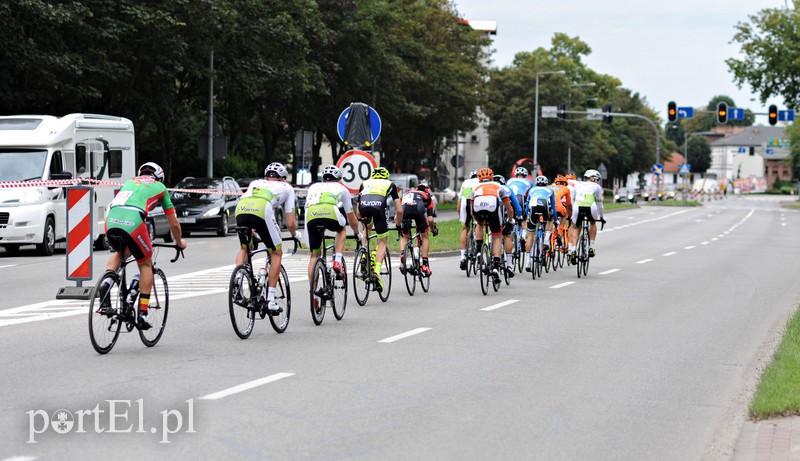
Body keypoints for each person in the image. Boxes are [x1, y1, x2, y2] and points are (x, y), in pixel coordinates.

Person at [100, 162, 187, 330]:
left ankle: (106, 283)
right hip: (133, 220)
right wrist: (179, 243)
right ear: (159, 177)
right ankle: (143, 313)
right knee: (145, 263)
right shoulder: (160, 187)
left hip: (111, 219)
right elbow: (174, 224)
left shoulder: (129, 182)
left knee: (121, 252)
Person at [235, 162, 300, 315]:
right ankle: (271, 300)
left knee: (245, 247)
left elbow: (255, 213)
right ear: (282, 178)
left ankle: (237, 278)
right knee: (276, 252)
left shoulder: (256, 183)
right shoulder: (287, 188)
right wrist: (294, 235)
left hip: (241, 208)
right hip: (262, 210)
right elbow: (290, 222)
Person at [304, 165, 362, 280]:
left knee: (314, 256)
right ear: (338, 179)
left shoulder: (313, 187)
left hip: (310, 215)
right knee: (341, 229)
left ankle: (314, 294)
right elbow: (351, 218)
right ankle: (337, 261)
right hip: (330, 212)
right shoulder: (342, 188)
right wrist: (357, 233)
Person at [357, 166, 401, 292]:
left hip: (364, 207)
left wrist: (361, 220)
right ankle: (376, 271)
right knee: (382, 240)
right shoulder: (390, 184)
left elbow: (358, 207)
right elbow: (399, 210)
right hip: (379, 207)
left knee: (366, 228)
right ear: (386, 176)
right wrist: (398, 224)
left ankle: (364, 254)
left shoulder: (364, 183)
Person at [471, 168, 514, 282]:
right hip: (493, 207)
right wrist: (510, 220)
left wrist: (478, 220)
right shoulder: (499, 186)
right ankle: (495, 265)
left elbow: (471, 210)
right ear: (492, 176)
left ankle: (479, 250)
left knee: (479, 224)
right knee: (497, 236)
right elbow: (509, 208)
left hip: (477, 207)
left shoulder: (475, 187)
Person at [398, 183, 437, 276]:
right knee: (425, 236)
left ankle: (403, 254)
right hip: (418, 209)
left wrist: (398, 225)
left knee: (405, 236)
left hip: (405, 209)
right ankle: (424, 264)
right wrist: (433, 229)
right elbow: (430, 219)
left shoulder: (406, 194)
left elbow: (398, 212)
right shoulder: (427, 197)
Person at [569, 169, 605, 263]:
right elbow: (600, 204)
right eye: (598, 179)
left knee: (576, 227)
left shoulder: (577, 184)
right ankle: (591, 247)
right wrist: (601, 217)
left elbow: (573, 200)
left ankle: (573, 250)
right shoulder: (597, 187)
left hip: (577, 207)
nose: (598, 181)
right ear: (593, 179)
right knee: (593, 223)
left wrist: (573, 214)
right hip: (590, 207)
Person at [524, 175, 558, 272]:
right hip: (545, 207)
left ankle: (528, 261)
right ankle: (546, 239)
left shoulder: (531, 190)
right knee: (550, 220)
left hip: (533, 208)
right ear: (546, 183)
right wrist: (555, 220)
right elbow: (553, 208)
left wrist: (527, 216)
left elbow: (527, 206)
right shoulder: (550, 190)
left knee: (530, 235)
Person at [494, 174, 522, 277]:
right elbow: (517, 207)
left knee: (493, 234)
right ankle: (509, 265)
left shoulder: (490, 187)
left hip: (491, 210)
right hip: (504, 211)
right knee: (507, 235)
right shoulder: (507, 188)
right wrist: (518, 217)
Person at [458, 170, 480, 270]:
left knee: (465, 228)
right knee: (479, 225)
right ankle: (476, 242)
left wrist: (460, 216)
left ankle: (463, 256)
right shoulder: (480, 182)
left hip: (464, 203)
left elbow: (459, 203)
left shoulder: (465, 182)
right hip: (475, 202)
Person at [549, 174, 573, 251]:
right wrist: (569, 217)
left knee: (548, 221)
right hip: (558, 207)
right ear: (565, 183)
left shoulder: (549, 187)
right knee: (563, 215)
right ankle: (559, 233)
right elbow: (569, 204)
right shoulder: (565, 188)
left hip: (546, 207)